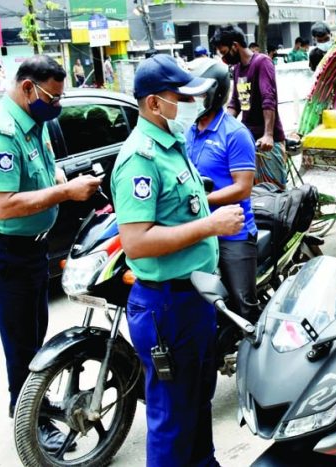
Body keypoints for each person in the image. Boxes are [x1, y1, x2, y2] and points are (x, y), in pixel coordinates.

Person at [111, 54, 243, 466]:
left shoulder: (173, 143)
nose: (189, 103)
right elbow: (137, 242)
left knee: (196, 403)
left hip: (194, 298)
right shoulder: (141, 159)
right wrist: (209, 226)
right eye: (180, 96)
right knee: (172, 416)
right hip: (167, 305)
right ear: (154, 103)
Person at [0, 55, 102, 450]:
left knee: (34, 336)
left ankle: (32, 404)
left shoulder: (34, 122)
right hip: (5, 253)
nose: (58, 105)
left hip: (30, 251)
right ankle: (31, 419)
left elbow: (44, 168)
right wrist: (64, 192)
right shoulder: (2, 134)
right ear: (28, 88)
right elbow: (4, 204)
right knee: (22, 346)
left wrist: (60, 179)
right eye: (53, 97)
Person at [185, 58, 259, 324]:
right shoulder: (190, 132)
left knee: (243, 306)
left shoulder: (235, 133)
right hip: (201, 228)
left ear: (215, 95)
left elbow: (243, 187)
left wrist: (202, 200)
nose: (192, 100)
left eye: (199, 94)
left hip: (233, 232)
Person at [212, 25, 288, 188]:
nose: (224, 59)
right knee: (253, 192)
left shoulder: (262, 62)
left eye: (225, 53)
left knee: (274, 193)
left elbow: (268, 98)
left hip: (268, 143)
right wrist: (219, 127)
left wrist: (268, 134)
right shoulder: (238, 68)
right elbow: (235, 103)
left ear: (235, 46)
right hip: (248, 139)